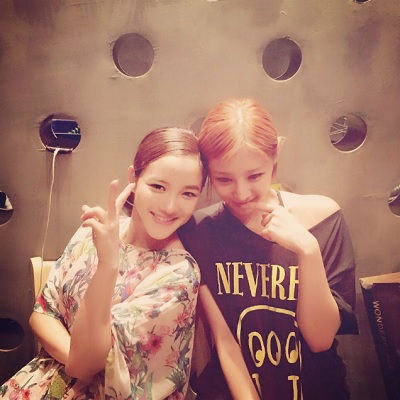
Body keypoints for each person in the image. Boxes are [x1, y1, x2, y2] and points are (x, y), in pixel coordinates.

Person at [0, 127, 206, 400]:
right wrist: (75, 357)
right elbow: (42, 314)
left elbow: (84, 364)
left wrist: (108, 265)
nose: (169, 206)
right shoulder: (94, 232)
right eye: (158, 186)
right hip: (36, 385)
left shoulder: (178, 274)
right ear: (134, 178)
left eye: (188, 194)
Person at [179, 98, 358, 400]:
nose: (241, 193)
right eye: (224, 179)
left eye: (254, 175)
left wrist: (307, 249)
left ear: (274, 163)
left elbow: (320, 340)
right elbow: (222, 340)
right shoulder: (198, 232)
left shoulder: (323, 217)